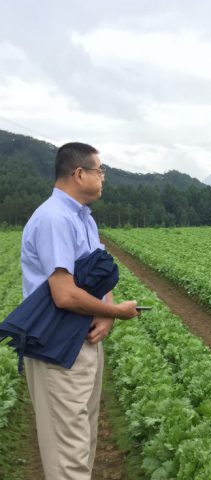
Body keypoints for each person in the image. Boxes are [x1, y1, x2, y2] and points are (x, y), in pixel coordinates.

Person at [21, 142, 139, 479]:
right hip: (59, 344)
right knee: (67, 454)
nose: (103, 178)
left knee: (82, 441)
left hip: (84, 339)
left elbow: (100, 271)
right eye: (100, 171)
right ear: (79, 173)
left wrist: (105, 310)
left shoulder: (82, 217)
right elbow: (64, 294)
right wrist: (117, 312)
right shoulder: (55, 219)